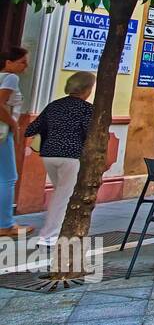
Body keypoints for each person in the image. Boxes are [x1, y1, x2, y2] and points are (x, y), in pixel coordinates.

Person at [24, 71, 95, 246]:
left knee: (62, 192)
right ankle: (49, 236)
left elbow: (30, 129)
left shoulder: (54, 105)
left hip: (49, 154)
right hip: (71, 156)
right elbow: (89, 134)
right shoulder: (86, 109)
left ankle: (60, 229)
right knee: (63, 195)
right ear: (86, 89)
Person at [0, 47, 31, 239]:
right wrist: (13, 123)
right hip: (3, 133)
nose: (25, 66)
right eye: (22, 62)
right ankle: (5, 224)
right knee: (8, 178)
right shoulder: (11, 78)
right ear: (9, 63)